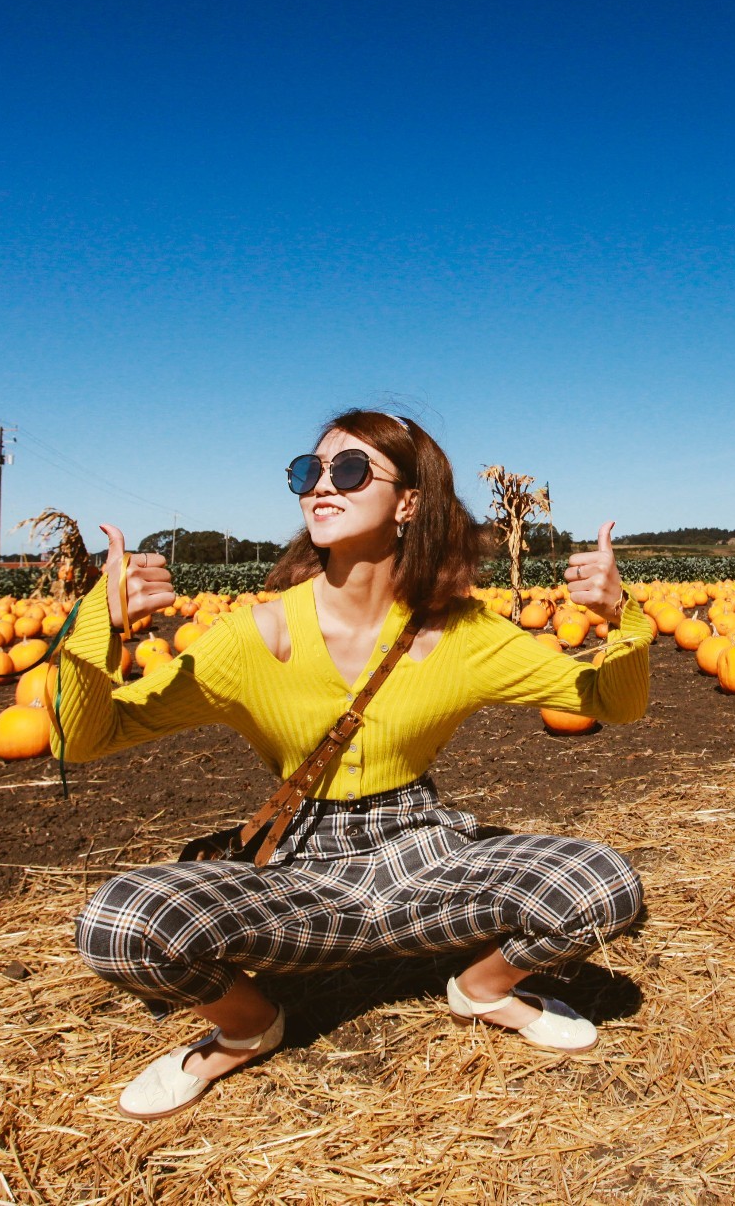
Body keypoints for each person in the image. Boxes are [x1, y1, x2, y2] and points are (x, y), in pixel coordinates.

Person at [50, 409, 653, 1121]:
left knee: (604, 885)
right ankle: (247, 1027)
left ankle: (484, 989)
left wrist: (624, 615)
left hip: (424, 855)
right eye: (309, 472)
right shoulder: (255, 636)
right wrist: (98, 622)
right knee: (117, 923)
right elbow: (83, 738)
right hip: (302, 870)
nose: (321, 487)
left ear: (408, 503)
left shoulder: (461, 632)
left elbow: (610, 701)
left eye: (350, 470)